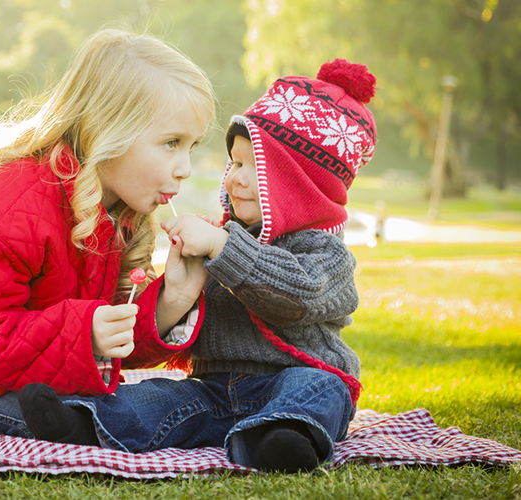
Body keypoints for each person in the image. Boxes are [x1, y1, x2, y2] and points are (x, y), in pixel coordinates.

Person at [19, 58, 378, 473]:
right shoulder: (221, 237)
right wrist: (182, 292)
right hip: (215, 388)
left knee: (321, 390)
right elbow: (194, 327)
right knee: (161, 397)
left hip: (294, 376)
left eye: (252, 168)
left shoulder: (324, 251)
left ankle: (281, 439)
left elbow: (298, 296)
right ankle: (83, 421)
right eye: (235, 163)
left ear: (300, 186)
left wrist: (225, 249)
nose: (234, 178)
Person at [0, 28, 215, 435]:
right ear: (109, 131)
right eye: (171, 142)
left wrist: (172, 300)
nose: (185, 168)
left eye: (192, 146)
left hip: (14, 362)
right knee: (106, 416)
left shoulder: (114, 209)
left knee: (128, 404)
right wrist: (85, 332)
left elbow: (108, 346)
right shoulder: (10, 206)